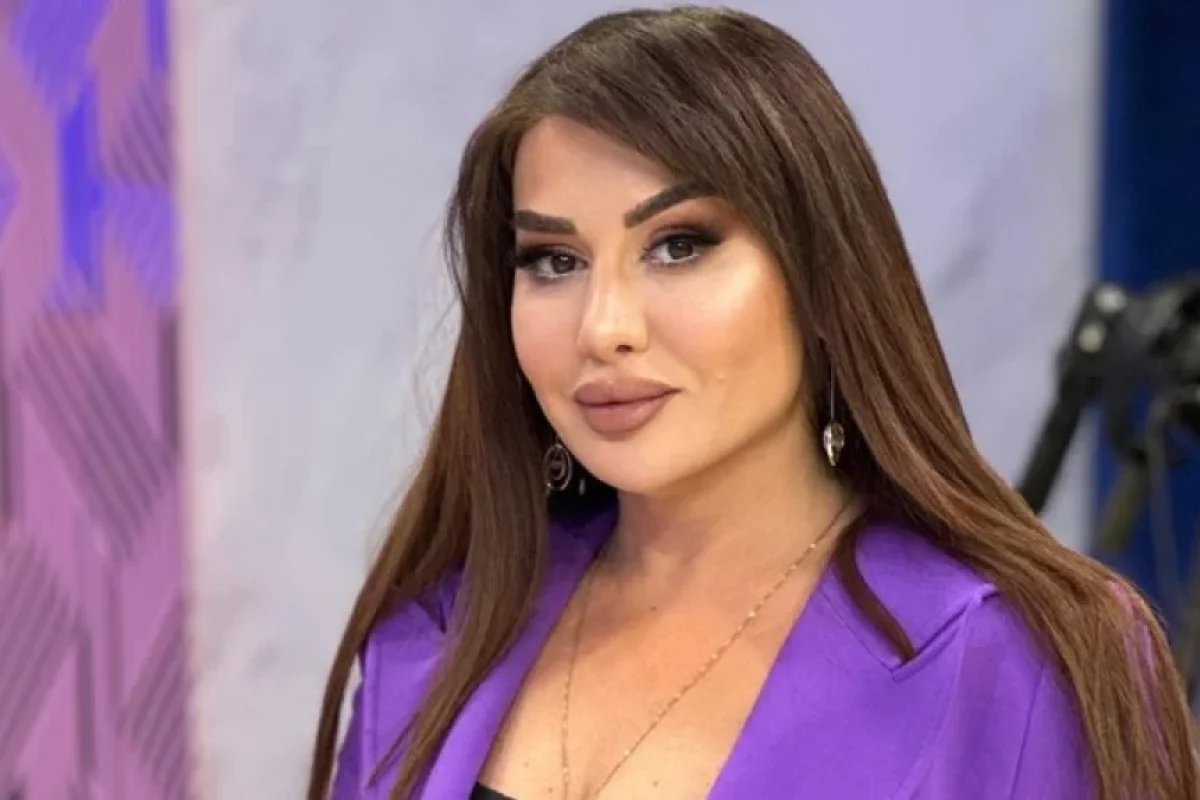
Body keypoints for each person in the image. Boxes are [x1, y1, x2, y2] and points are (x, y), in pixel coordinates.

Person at [308, 7, 1198, 800]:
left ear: (821, 278)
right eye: (554, 260)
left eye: (678, 245)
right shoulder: (435, 632)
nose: (604, 327)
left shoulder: (1028, 662)